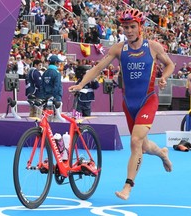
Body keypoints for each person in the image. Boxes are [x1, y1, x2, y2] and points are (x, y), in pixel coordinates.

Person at [68, 8, 174, 201]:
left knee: (135, 142)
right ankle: (162, 154)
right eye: (125, 27)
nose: (129, 30)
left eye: (132, 26)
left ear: (140, 27)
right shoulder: (119, 48)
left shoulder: (153, 47)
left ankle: (128, 186)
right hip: (128, 103)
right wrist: (81, 84)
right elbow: (99, 67)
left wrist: (164, 78)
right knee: (143, 146)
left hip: (148, 100)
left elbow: (170, 64)